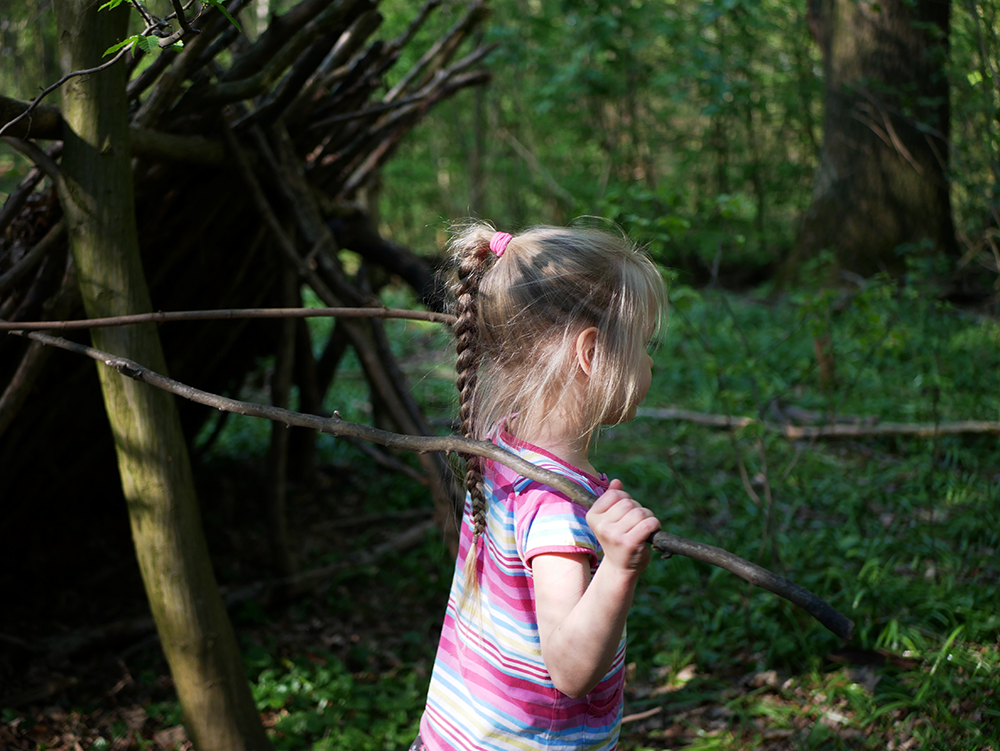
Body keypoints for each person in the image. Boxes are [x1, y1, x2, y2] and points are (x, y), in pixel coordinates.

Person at [412, 222, 667, 751]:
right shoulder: (557, 510)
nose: (649, 363)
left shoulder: (502, 450)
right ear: (591, 354)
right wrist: (619, 568)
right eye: (643, 345)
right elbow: (571, 669)